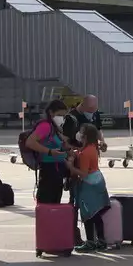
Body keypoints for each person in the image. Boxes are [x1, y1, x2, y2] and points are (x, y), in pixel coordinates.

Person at [68, 123, 111, 252]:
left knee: (88, 213)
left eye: (81, 132)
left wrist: (70, 166)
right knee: (96, 212)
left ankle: (90, 242)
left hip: (89, 183)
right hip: (98, 180)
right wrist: (76, 153)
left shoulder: (86, 153)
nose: (79, 134)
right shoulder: (92, 147)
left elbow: (83, 173)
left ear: (85, 136)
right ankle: (101, 240)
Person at [25, 98, 71, 204]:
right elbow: (30, 142)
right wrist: (49, 151)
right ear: (51, 112)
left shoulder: (54, 127)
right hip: (49, 170)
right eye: (59, 115)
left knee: (55, 201)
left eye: (64, 116)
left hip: (57, 169)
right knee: (47, 201)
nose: (62, 118)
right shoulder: (45, 126)